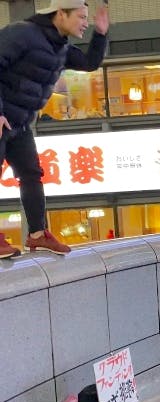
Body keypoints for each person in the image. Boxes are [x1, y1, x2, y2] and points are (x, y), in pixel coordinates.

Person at [0, 0, 109, 258]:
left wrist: (101, 33)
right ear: (61, 14)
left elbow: (89, 62)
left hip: (19, 123)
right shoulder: (22, 33)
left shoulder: (60, 47)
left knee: (31, 174)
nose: (85, 23)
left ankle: (37, 235)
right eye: (81, 17)